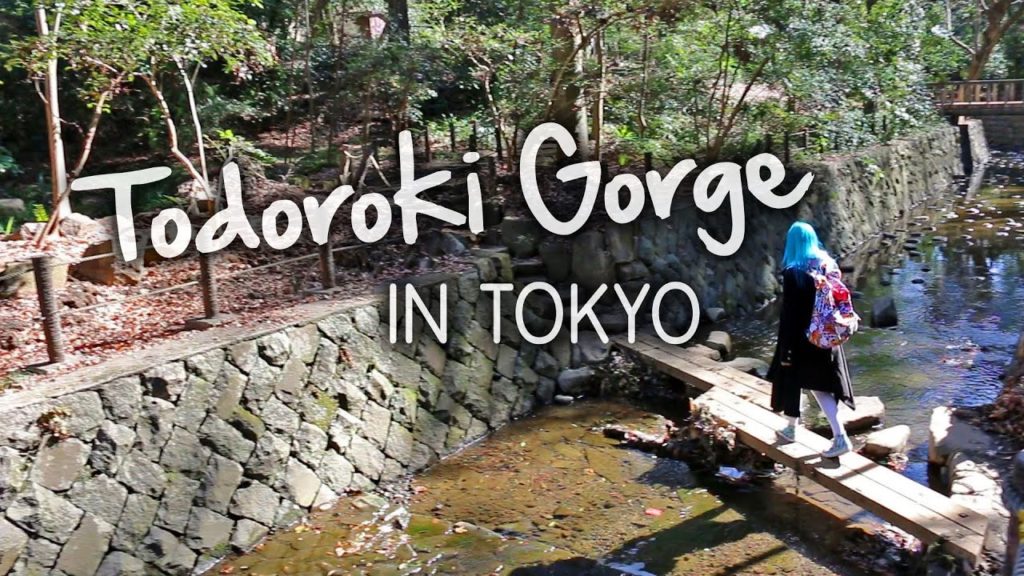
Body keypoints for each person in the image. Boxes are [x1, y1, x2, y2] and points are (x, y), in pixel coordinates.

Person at [767, 222, 855, 458]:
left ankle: (840, 438)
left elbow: (790, 315)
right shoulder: (827, 264)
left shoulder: (795, 271)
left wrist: (784, 346)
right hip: (827, 336)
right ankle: (792, 426)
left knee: (797, 380)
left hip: (804, 340)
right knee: (819, 387)